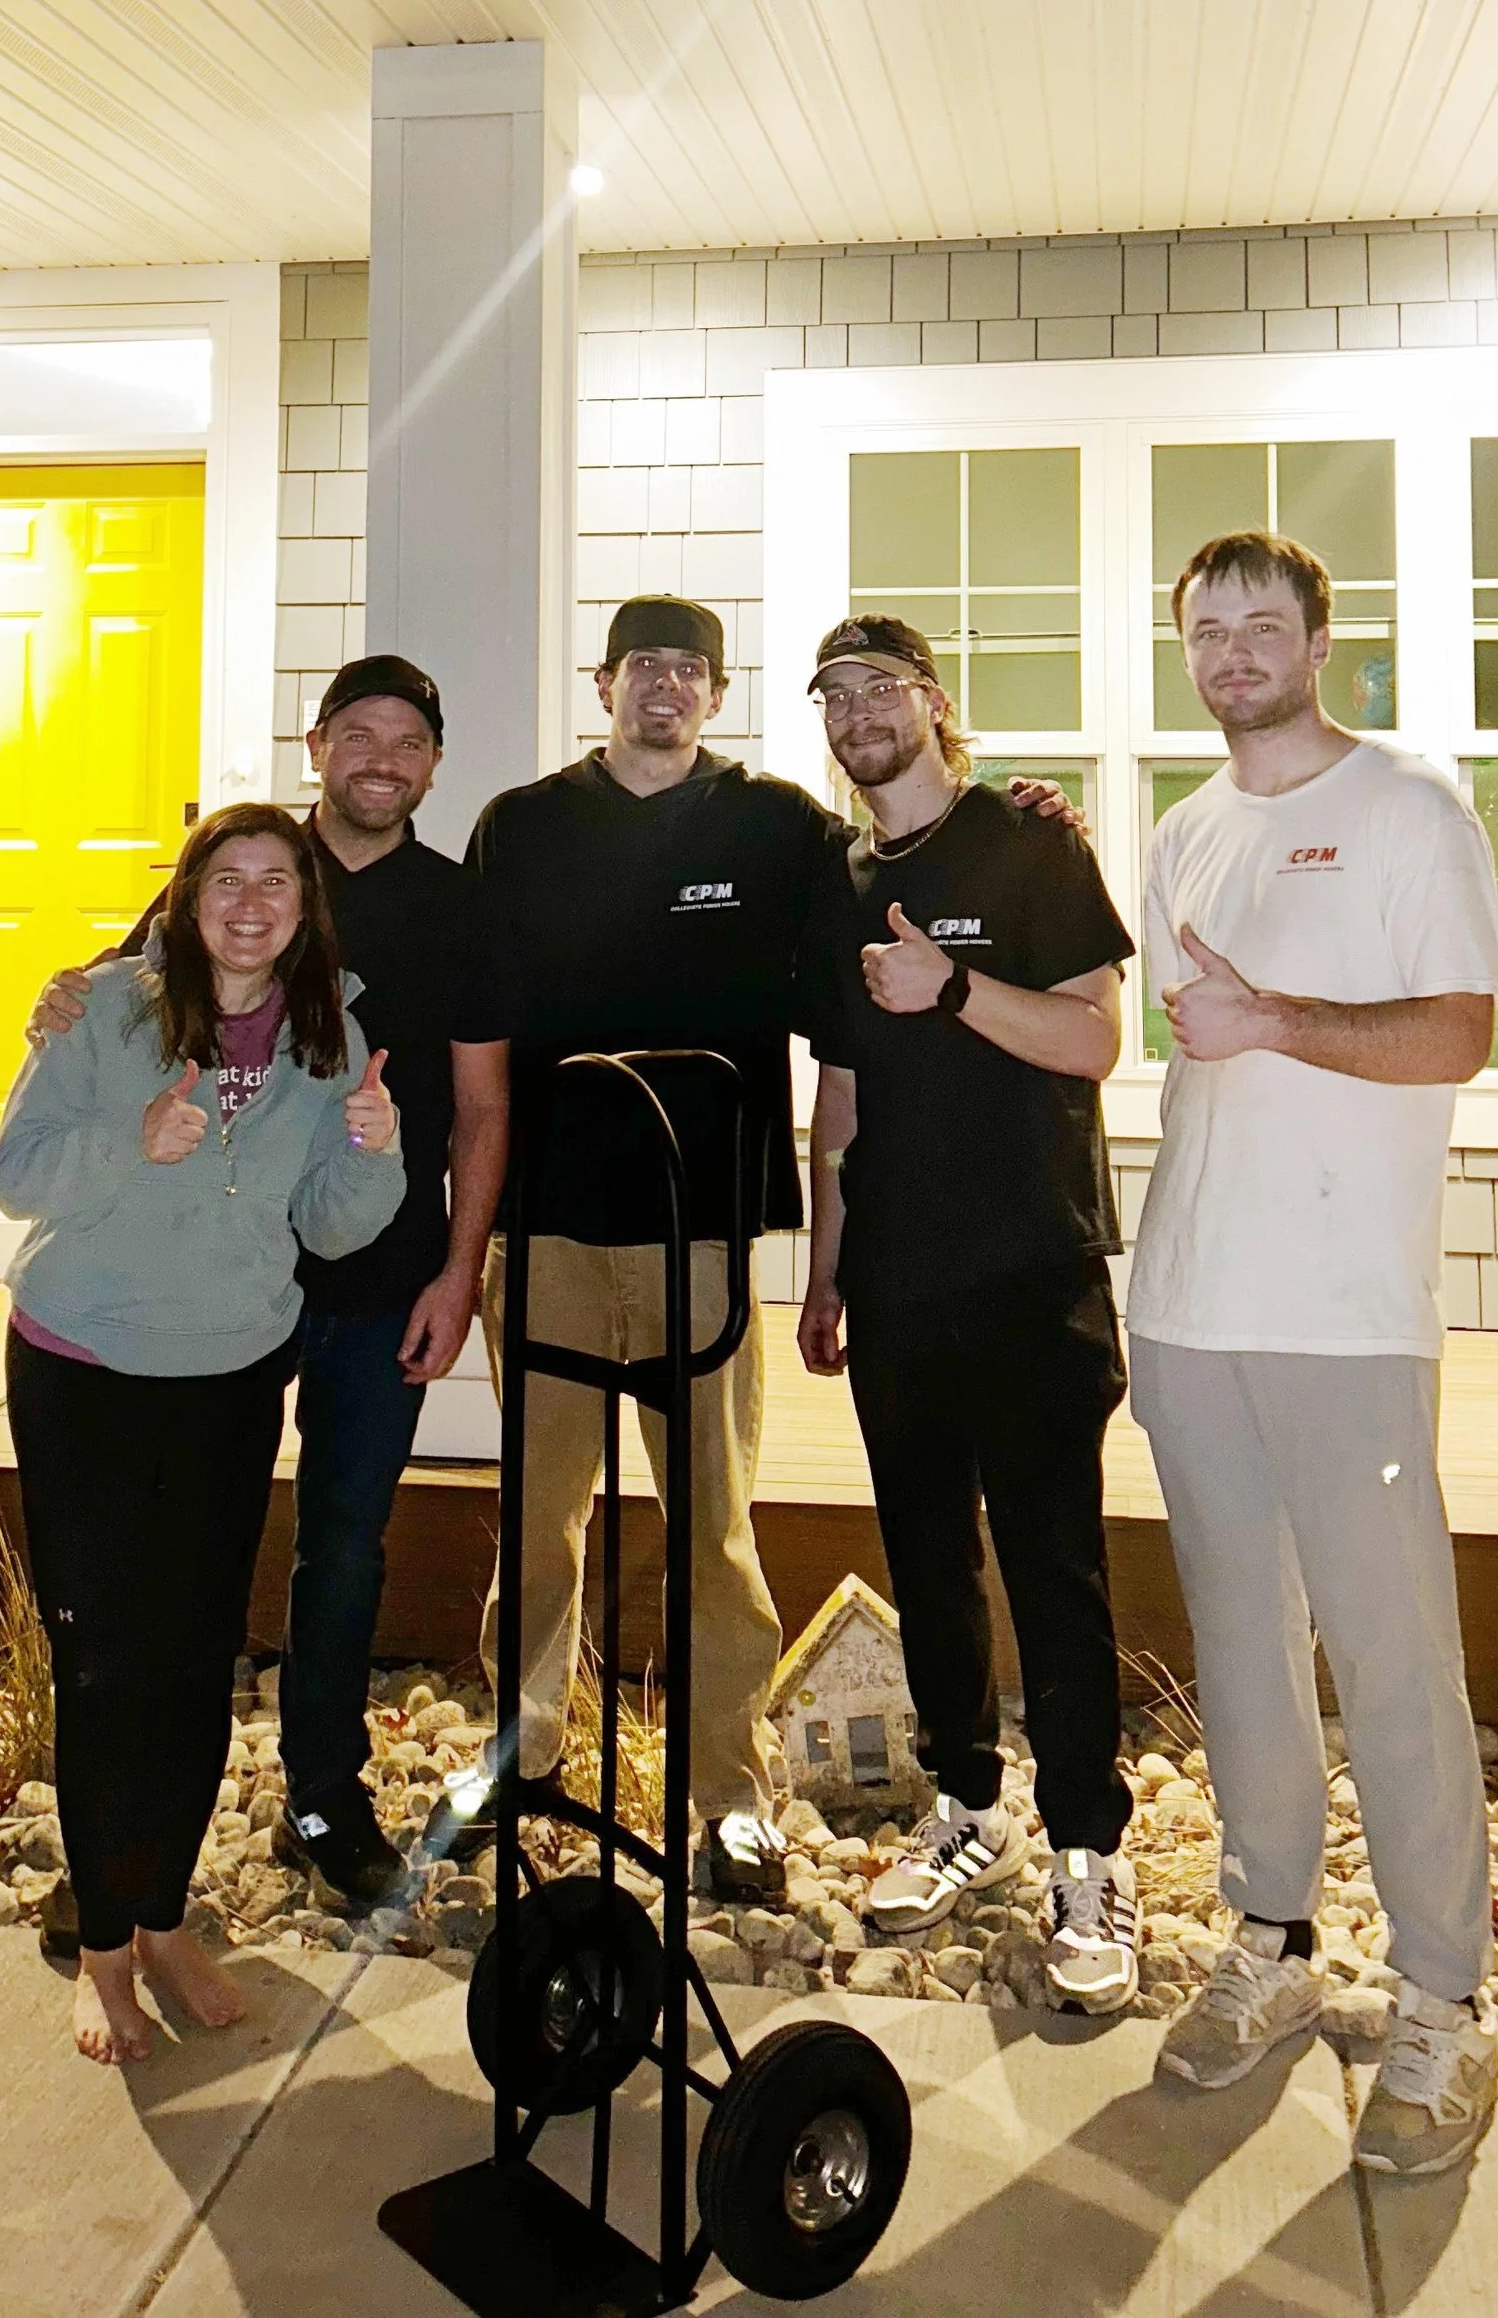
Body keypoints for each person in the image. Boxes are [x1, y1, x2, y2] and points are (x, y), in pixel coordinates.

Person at [461, 596, 1086, 1905]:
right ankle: (521, 1751)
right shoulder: (521, 829)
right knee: (541, 1512)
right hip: (552, 1226)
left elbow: (901, 873)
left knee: (713, 1524)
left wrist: (1031, 815)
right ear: (605, 682)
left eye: (691, 670)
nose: (666, 688)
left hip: (703, 1231)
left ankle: (729, 1798)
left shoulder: (781, 833)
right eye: (644, 667)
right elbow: (453, 1013)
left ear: (719, 692)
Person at [1131, 530, 1498, 2178]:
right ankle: (1269, 1942)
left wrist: (1277, 1012)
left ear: (1315, 638)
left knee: (1394, 1648)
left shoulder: (1412, 806)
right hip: (1189, 1303)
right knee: (1241, 1640)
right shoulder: (1184, 832)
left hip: (1346, 1319)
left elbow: (1461, 1028)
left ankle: (1447, 1998)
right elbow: (1186, 1046)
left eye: (1259, 625)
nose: (1229, 653)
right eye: (1206, 631)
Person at [28, 654, 510, 1911]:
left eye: (408, 739)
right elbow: (125, 1004)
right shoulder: (246, 875)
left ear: (434, 764)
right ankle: (125, 1859)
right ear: (317, 746)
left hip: (374, 1274)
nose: (381, 759)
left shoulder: (461, 909)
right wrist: (57, 999)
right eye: (358, 734)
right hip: (203, 1299)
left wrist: (460, 1273)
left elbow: (479, 1106)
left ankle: (321, 1793)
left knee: (343, 1544)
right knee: (166, 1572)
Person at [0, 802, 403, 2065]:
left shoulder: (331, 1032)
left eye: (277, 881)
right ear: (189, 895)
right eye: (229, 878)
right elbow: (14, 1170)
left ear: (302, 909)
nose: (251, 902)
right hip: (87, 1372)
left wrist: (375, 1155)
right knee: (106, 1663)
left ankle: (164, 1917)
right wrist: (131, 1140)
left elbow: (332, 1227)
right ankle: (101, 1948)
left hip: (229, 1374)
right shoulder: (106, 1009)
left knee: (196, 1655)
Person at [795, 616, 1142, 2013]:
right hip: (895, 1282)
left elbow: (1096, 1038)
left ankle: (1088, 1852)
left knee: (1055, 1564)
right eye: (835, 692)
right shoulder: (840, 881)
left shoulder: (1030, 843)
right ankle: (968, 1810)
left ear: (935, 705)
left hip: (1032, 1270)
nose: (859, 709)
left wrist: (951, 987)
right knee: (928, 1559)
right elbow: (843, 1093)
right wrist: (824, 1269)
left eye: (881, 684)